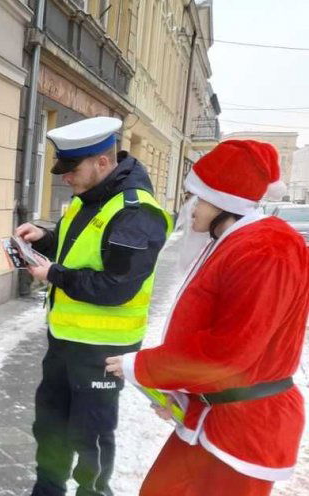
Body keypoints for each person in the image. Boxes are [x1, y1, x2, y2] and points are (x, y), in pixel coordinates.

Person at [105, 140, 309, 496]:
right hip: (217, 414)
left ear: (223, 200)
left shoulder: (265, 249)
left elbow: (229, 351)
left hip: (245, 428)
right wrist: (183, 393)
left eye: (197, 198)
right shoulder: (239, 240)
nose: (192, 208)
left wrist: (143, 366)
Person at [15, 116, 172, 496]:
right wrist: (46, 239)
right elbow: (84, 252)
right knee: (51, 424)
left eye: (72, 169)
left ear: (102, 162)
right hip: (65, 341)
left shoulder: (136, 212)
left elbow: (117, 286)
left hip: (103, 352)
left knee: (92, 436)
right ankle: (48, 489)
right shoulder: (88, 197)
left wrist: (54, 275)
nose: (64, 177)